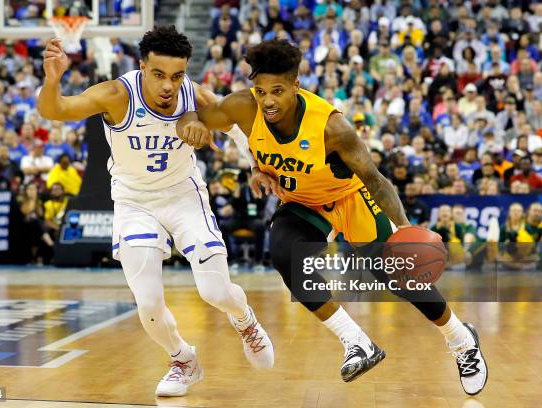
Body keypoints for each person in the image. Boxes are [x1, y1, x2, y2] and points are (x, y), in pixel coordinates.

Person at [177, 39, 488, 395]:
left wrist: (404, 228)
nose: (269, 101)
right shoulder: (245, 107)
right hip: (302, 202)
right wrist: (240, 156)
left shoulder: (331, 127)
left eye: (278, 91)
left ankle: (461, 339)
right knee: (283, 255)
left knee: (395, 274)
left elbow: (374, 178)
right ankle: (357, 341)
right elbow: (197, 109)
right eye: (261, 92)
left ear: (296, 85)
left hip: (349, 196)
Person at [37, 26, 274, 397]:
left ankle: (245, 321)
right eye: (159, 74)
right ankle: (183, 358)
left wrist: (255, 165)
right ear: (142, 66)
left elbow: (236, 126)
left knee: (214, 290)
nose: (168, 85)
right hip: (133, 200)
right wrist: (52, 81)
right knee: (147, 303)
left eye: (177, 76)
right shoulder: (116, 94)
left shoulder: (194, 95)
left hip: (183, 195)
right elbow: (56, 110)